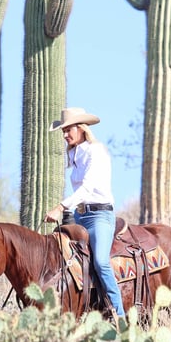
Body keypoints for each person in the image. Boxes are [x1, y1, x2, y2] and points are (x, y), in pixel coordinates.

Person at [44, 107, 126, 322]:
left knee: (100, 261)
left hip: (100, 216)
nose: (65, 135)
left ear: (81, 128)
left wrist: (61, 207)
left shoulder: (95, 151)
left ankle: (120, 316)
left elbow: (88, 188)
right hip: (80, 216)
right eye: (63, 131)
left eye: (68, 129)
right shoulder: (73, 153)